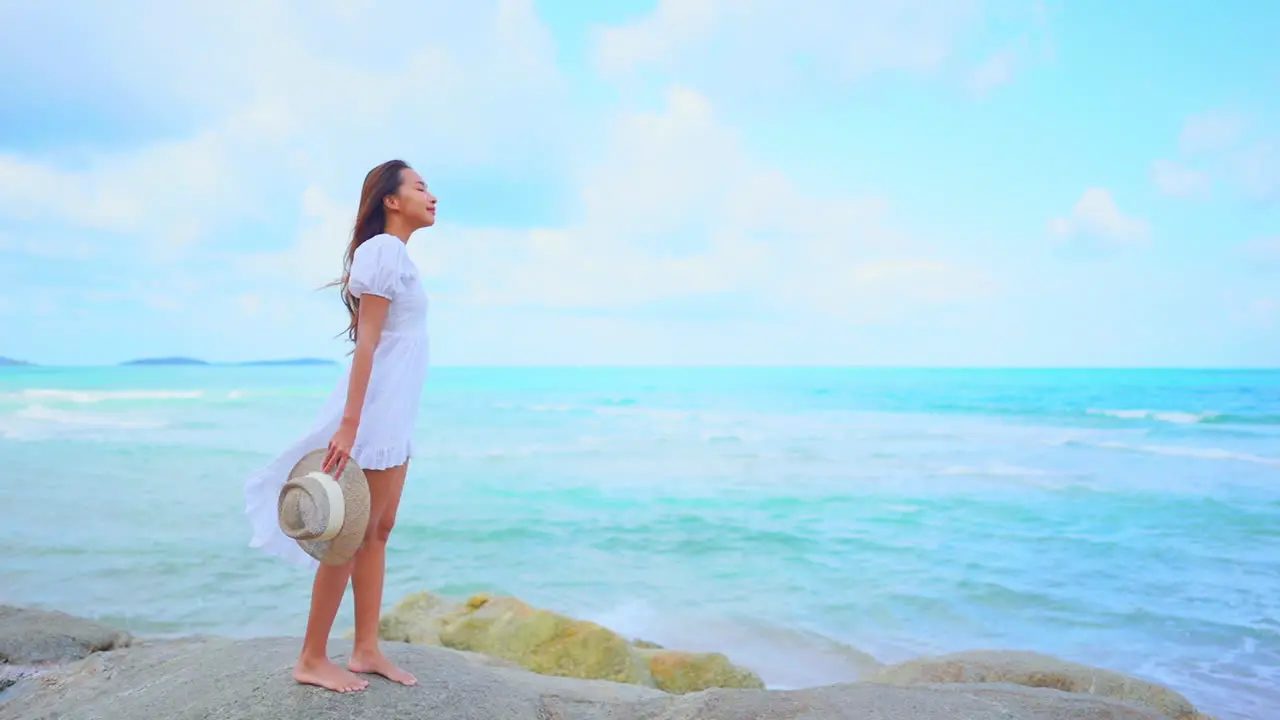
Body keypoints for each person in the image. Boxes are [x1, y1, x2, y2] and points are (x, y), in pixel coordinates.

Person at [243, 159, 436, 693]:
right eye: (420, 187)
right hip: (372, 414)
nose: (432, 195)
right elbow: (368, 343)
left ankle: (366, 648)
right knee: (348, 535)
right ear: (391, 201)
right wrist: (349, 425)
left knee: (377, 530)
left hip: (393, 412)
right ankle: (310, 657)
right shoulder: (382, 252)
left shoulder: (398, 257)